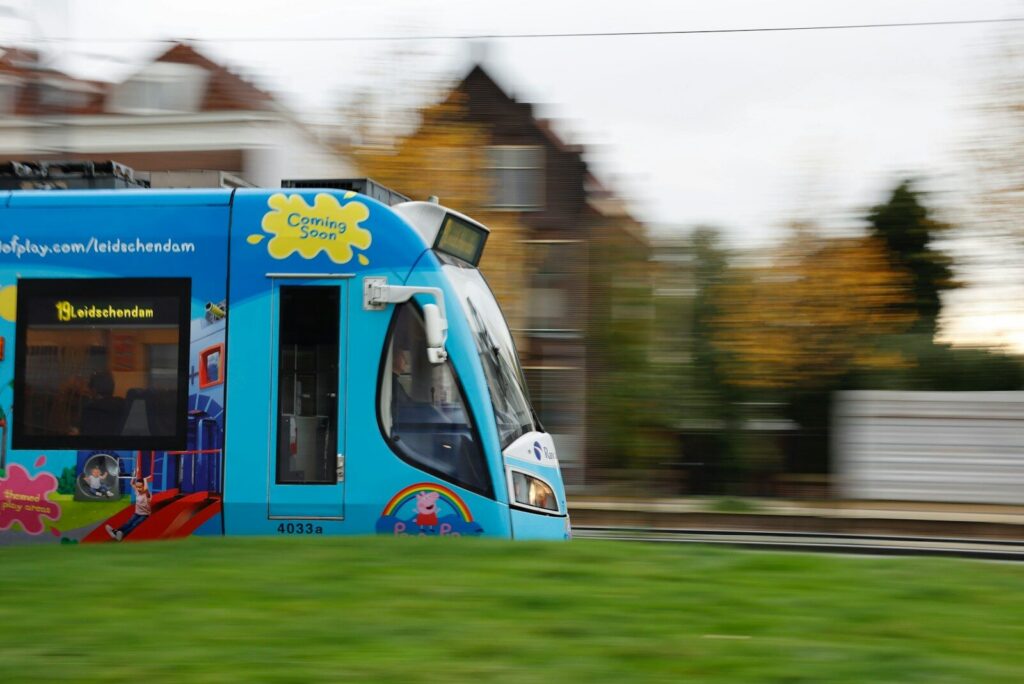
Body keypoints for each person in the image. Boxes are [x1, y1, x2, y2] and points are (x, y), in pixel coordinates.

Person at [105, 475, 152, 541]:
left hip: (144, 515)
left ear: (143, 486)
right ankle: (116, 531)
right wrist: (133, 476)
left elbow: (146, 489)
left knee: (134, 524)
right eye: (137, 487)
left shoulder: (147, 494)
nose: (138, 489)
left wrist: (145, 479)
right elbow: (131, 483)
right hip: (137, 513)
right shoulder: (137, 492)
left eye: (140, 487)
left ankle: (122, 534)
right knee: (128, 523)